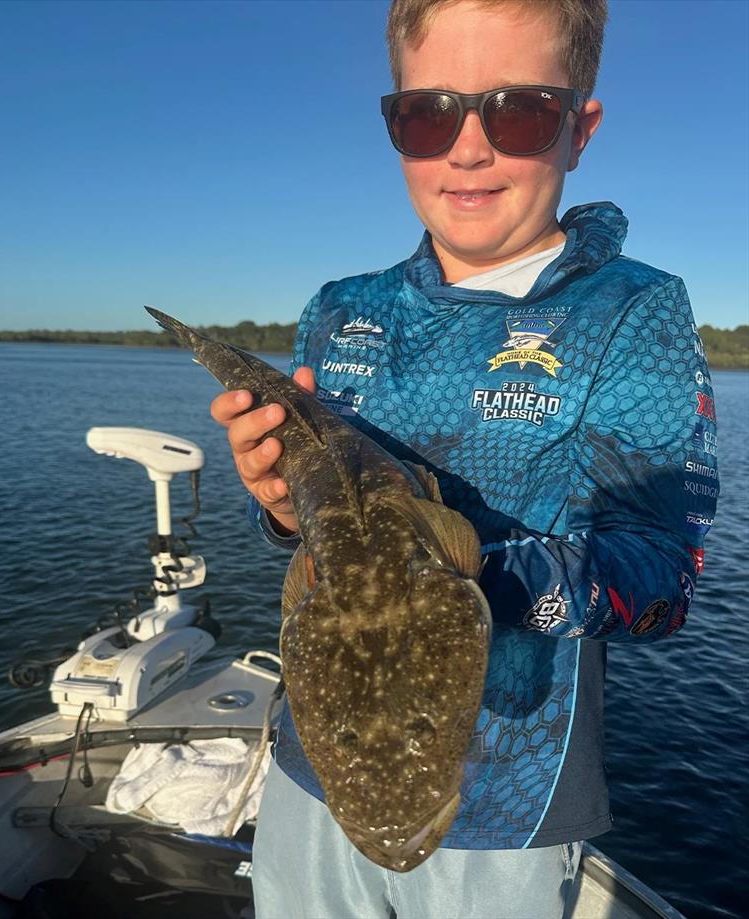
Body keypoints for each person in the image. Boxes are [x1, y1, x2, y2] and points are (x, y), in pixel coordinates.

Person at [211, 1, 718, 916]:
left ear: (579, 129)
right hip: (314, 760)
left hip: (508, 801)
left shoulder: (632, 310)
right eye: (428, 114)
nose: (469, 148)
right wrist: (279, 504)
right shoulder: (341, 307)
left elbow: (663, 575)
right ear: (395, 126)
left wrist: (467, 576)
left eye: (519, 111)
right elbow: (304, 529)